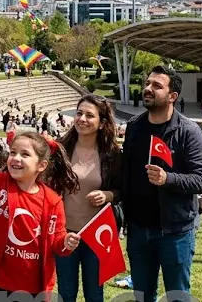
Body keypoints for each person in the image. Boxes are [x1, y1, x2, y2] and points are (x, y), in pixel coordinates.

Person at [0, 95, 80, 300]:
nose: (15, 158)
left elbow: (56, 239)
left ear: (41, 166)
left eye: (25, 154)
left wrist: (66, 242)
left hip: (34, 286)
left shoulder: (52, 200)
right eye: (13, 152)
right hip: (1, 281)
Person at [120, 66, 202, 301]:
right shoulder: (135, 127)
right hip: (139, 230)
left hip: (175, 231)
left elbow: (201, 180)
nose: (148, 89)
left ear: (172, 96)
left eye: (157, 86)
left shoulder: (189, 131)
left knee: (177, 295)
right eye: (148, 83)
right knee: (142, 294)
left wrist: (168, 179)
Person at [55, 95, 122, 302]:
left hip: (96, 236)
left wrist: (107, 195)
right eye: (79, 113)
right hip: (65, 235)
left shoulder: (112, 154)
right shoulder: (60, 149)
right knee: (66, 293)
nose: (82, 119)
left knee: (94, 294)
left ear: (102, 123)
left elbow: (122, 190)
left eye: (89, 115)